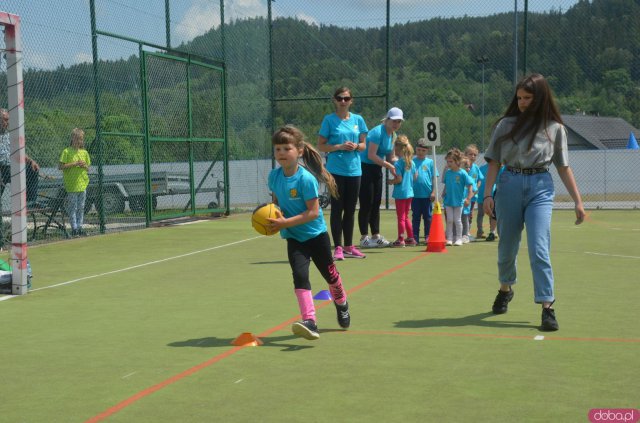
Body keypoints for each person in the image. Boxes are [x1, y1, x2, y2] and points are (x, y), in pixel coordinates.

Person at [482, 73, 585, 331]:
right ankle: (505, 288)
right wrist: (487, 194)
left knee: (539, 247)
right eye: (519, 98)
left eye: (528, 98)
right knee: (507, 245)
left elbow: (563, 167)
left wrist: (578, 201)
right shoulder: (505, 125)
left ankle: (547, 307)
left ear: (540, 98)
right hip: (509, 185)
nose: (522, 102)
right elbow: (494, 161)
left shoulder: (555, 129)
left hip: (540, 186)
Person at [268, 125, 351, 340]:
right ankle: (310, 321)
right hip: (294, 238)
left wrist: (284, 223)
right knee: (300, 275)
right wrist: (273, 216)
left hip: (316, 236)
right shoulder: (274, 177)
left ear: (300, 151)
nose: (281, 154)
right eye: (277, 149)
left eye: (286, 148)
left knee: (331, 277)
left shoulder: (306, 179)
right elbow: (276, 204)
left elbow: (313, 213)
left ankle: (342, 304)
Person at [318, 87, 368, 260]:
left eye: (346, 98)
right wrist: (338, 146)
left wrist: (355, 146)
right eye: (340, 98)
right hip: (335, 171)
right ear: (335, 100)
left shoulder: (358, 120)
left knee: (350, 210)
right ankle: (338, 247)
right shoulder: (329, 120)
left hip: (354, 170)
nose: (343, 101)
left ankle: (349, 246)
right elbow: (321, 145)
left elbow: (363, 145)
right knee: (337, 209)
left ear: (351, 100)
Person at [358, 107, 404, 249]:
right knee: (367, 202)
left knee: (376, 202)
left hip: (377, 168)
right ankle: (364, 237)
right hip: (364, 167)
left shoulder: (393, 135)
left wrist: (401, 164)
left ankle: (376, 236)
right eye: (394, 120)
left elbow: (391, 157)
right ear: (388, 119)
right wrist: (389, 166)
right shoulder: (378, 132)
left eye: (399, 121)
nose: (396, 124)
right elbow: (371, 155)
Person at [0, 108, 40, 204]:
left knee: (32, 169)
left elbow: (19, 151)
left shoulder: (9, 135)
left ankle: (31, 202)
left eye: (8, 119)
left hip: (12, 167)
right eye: (5, 119)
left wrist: (31, 161)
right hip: (1, 168)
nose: (8, 122)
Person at [59, 128, 91, 237]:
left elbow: (88, 168)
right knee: (73, 208)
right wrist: (75, 163)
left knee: (81, 207)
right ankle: (74, 228)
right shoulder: (66, 151)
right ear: (72, 139)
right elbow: (61, 166)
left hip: (82, 184)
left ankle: (80, 227)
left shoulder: (85, 152)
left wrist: (84, 165)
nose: (79, 141)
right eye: (77, 139)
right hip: (72, 185)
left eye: (81, 139)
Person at [387, 135, 417, 247]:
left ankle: (401, 239)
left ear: (397, 148)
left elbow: (399, 179)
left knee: (400, 217)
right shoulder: (411, 162)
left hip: (401, 193)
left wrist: (391, 181)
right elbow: (415, 176)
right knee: (406, 216)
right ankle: (410, 238)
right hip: (409, 192)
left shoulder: (398, 163)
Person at [441, 148, 474, 246]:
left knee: (457, 220)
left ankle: (459, 238)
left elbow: (470, 185)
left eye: (451, 161)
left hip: (458, 201)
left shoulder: (462, 173)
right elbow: (446, 184)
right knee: (449, 220)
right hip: (448, 201)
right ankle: (450, 238)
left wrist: (468, 198)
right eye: (447, 161)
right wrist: (444, 192)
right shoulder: (448, 173)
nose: (448, 163)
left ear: (457, 161)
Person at [411, 138, 438, 245]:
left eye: (423, 150)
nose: (420, 152)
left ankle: (428, 235)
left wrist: (433, 192)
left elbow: (434, 178)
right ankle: (415, 237)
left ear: (427, 151)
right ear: (415, 150)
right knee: (416, 216)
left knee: (428, 217)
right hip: (415, 195)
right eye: (418, 150)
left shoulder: (431, 162)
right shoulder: (412, 162)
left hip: (427, 195)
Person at [464, 144, 484, 239]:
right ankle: (462, 232)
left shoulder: (476, 168)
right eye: (470, 154)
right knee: (463, 214)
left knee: (470, 214)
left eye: (475, 155)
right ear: (465, 155)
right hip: (464, 196)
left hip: (473, 196)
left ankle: (467, 232)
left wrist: (476, 189)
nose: (472, 156)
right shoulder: (463, 167)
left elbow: (480, 179)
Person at [476, 162, 498, 241]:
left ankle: (492, 232)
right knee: (480, 214)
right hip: (481, 196)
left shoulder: (497, 167)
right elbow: (478, 180)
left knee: (492, 214)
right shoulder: (481, 168)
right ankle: (480, 231)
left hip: (491, 196)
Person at [460, 157, 477, 244]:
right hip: (457, 203)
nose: (468, 168)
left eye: (469, 167)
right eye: (465, 166)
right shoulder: (457, 177)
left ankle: (465, 235)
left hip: (465, 203)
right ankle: (458, 235)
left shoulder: (469, 178)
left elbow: (473, 190)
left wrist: (468, 199)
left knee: (465, 218)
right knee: (457, 219)